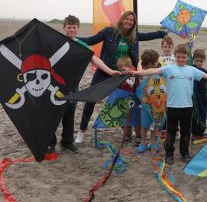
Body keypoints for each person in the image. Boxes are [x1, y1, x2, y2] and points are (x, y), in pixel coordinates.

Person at [75, 11, 166, 144]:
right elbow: (90, 41)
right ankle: (82, 131)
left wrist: (163, 33)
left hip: (124, 75)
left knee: (130, 101)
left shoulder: (134, 36)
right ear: (122, 19)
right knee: (91, 99)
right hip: (105, 71)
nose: (129, 22)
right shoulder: (109, 32)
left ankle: (131, 131)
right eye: (127, 19)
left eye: (132, 20)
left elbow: (148, 35)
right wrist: (74, 39)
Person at [132, 44, 207, 165]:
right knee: (171, 132)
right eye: (178, 57)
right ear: (175, 56)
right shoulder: (169, 69)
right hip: (172, 107)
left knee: (185, 132)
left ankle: (185, 153)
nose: (181, 59)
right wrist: (137, 73)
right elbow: (154, 70)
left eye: (183, 57)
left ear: (188, 57)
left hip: (187, 107)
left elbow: (205, 76)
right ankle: (169, 154)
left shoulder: (192, 70)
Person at [47, 15, 120, 157]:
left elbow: (95, 59)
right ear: (64, 28)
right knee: (54, 115)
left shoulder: (82, 45)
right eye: (69, 27)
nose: (72, 29)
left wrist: (110, 71)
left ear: (78, 28)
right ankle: (51, 143)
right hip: (55, 86)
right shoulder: (57, 42)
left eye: (74, 27)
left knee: (69, 114)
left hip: (73, 86)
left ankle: (67, 141)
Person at [134, 49, 166, 153]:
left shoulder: (158, 73)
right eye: (156, 61)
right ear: (153, 63)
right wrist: (140, 62)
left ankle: (151, 143)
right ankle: (143, 143)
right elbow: (139, 71)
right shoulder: (143, 74)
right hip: (146, 105)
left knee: (154, 124)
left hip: (156, 105)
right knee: (145, 125)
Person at [115, 56, 141, 143]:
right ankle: (127, 135)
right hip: (124, 101)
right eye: (122, 70)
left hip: (134, 100)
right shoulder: (120, 77)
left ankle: (138, 136)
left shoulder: (134, 75)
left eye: (125, 69)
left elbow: (136, 86)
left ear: (130, 67)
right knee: (125, 119)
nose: (123, 72)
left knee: (136, 118)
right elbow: (118, 88)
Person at [191, 49, 207, 139]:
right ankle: (194, 132)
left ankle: (201, 131)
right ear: (193, 59)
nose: (199, 62)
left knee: (203, 112)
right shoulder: (191, 68)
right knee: (194, 114)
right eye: (197, 60)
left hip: (202, 95)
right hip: (194, 96)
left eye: (201, 61)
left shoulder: (204, 70)